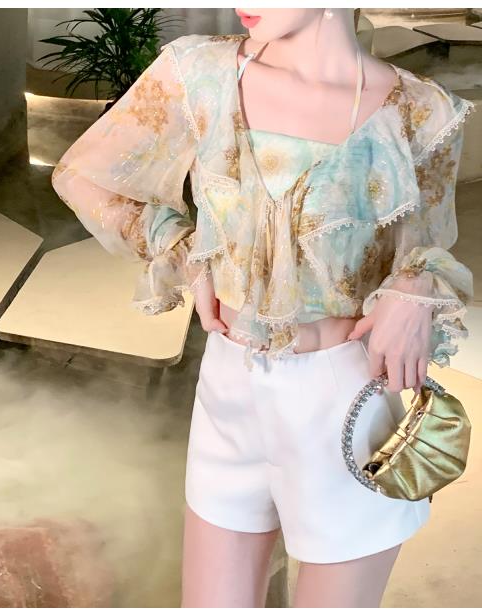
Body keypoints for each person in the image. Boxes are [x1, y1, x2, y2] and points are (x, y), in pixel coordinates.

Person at [51, 8, 475, 608]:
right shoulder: (199, 71)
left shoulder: (420, 110)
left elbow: (426, 247)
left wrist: (414, 289)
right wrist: (184, 252)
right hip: (227, 388)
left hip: (344, 401)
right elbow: (83, 174)